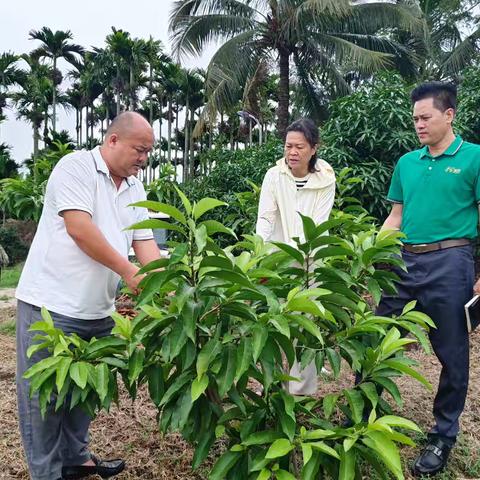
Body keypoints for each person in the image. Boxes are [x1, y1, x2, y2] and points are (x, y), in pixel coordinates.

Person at [15, 112, 161, 480]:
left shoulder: (135, 189)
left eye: (148, 152)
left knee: (83, 392)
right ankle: (45, 473)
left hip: (98, 310)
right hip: (51, 305)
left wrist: (167, 288)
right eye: (139, 150)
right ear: (113, 141)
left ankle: (75, 460)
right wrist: (128, 272)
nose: (144, 158)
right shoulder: (75, 167)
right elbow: (80, 229)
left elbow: (145, 247)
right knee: (42, 397)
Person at [379, 81, 480, 476]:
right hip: (403, 261)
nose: (418, 124)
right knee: (377, 335)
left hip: (452, 260)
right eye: (415, 118)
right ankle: (368, 414)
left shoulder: (473, 158)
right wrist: (367, 255)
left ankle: (442, 436)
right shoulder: (407, 162)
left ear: (449, 115)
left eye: (426, 117)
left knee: (452, 352)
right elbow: (396, 218)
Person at [256, 118, 336, 395]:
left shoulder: (326, 177)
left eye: (299, 147)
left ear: (314, 148)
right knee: (277, 321)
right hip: (277, 259)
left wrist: (303, 259)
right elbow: (265, 219)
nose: (292, 152)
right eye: (288, 146)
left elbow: (318, 221)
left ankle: (300, 393)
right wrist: (260, 255)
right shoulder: (273, 175)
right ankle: (275, 388)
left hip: (310, 261)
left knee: (306, 325)